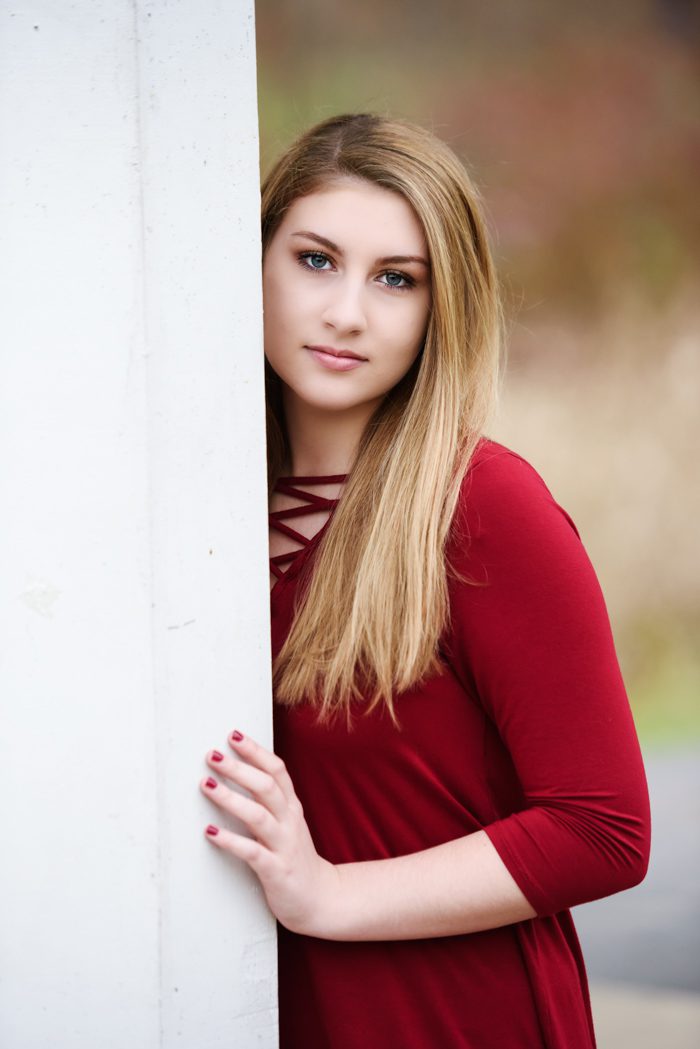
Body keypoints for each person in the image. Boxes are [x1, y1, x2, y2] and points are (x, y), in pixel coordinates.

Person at [199, 113, 651, 1048]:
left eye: (396, 279)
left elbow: (602, 827)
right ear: (252, 263)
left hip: (450, 1014)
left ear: (443, 307)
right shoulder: (194, 518)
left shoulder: (482, 504)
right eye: (315, 260)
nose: (347, 312)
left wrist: (326, 891)